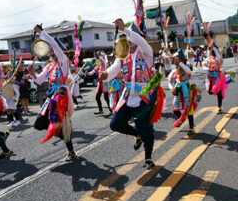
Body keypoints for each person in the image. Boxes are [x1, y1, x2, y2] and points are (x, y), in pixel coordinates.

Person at [101, 19, 156, 170]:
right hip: (127, 95)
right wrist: (106, 74)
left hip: (142, 95)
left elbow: (139, 40)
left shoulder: (146, 53)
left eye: (130, 39)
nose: (128, 42)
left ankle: (148, 158)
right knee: (115, 124)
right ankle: (136, 134)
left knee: (146, 129)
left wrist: (123, 28)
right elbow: (114, 67)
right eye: (127, 40)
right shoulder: (123, 56)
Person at [28, 24, 77, 161]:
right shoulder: (49, 65)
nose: (51, 53)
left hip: (61, 96)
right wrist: (32, 74)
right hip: (51, 98)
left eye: (53, 51)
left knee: (62, 123)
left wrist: (41, 32)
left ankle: (71, 151)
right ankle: (62, 133)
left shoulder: (63, 61)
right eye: (50, 51)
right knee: (39, 124)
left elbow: (54, 45)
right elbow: (39, 81)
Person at [168, 49, 200, 136]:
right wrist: (171, 88)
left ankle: (191, 127)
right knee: (175, 109)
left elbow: (188, 72)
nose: (175, 61)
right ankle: (181, 119)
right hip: (178, 91)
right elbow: (170, 82)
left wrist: (180, 63)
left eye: (177, 59)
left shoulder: (186, 68)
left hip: (187, 90)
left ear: (182, 60)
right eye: (175, 60)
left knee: (189, 109)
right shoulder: (174, 71)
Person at [86, 51, 112, 116]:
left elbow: (103, 60)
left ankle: (111, 110)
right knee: (97, 97)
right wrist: (87, 72)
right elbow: (91, 73)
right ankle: (100, 110)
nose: (98, 59)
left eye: (99, 58)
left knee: (106, 98)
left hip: (105, 83)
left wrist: (100, 55)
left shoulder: (105, 65)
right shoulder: (97, 66)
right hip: (100, 83)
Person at [203, 42, 226, 114]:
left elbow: (220, 58)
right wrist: (208, 69)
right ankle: (220, 107)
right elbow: (204, 67)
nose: (209, 51)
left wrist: (214, 48)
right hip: (209, 77)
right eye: (209, 50)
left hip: (217, 77)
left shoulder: (217, 59)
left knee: (218, 92)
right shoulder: (207, 59)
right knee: (210, 92)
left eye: (210, 50)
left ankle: (220, 107)